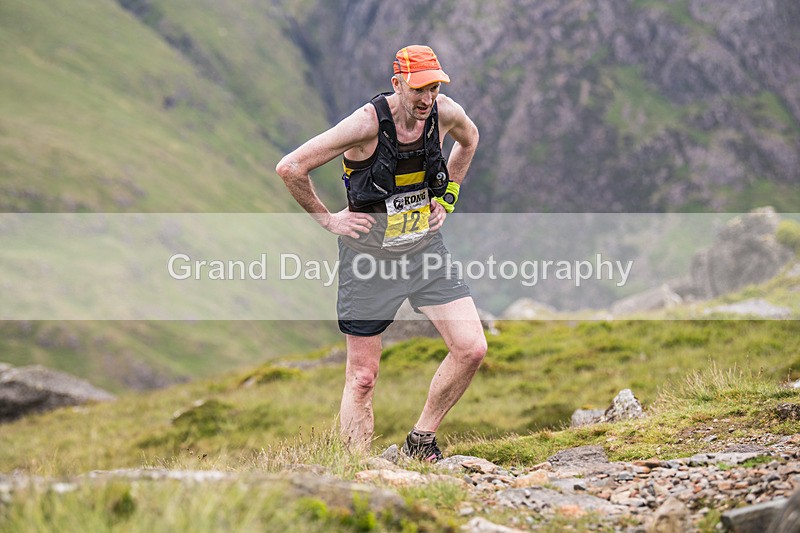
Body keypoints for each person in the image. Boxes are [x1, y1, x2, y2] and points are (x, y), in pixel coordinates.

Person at [276, 45, 487, 462]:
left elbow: (470, 139)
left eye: (434, 87)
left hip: (424, 251)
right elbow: (291, 167)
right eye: (418, 89)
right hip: (369, 261)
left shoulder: (444, 113)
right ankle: (356, 473)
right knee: (362, 378)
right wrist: (328, 220)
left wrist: (447, 197)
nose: (427, 98)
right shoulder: (365, 124)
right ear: (397, 84)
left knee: (471, 348)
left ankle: (421, 440)